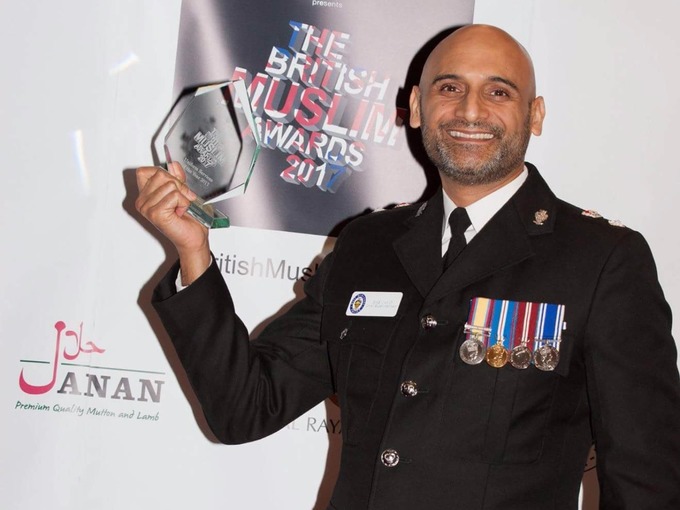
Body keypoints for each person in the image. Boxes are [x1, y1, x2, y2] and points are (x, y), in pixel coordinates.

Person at [136, 24, 680, 510]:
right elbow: (245, 407)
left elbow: (646, 479)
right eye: (450, 88)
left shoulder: (601, 260)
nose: (470, 111)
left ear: (534, 115)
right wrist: (193, 252)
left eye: (498, 91)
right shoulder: (368, 246)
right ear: (417, 107)